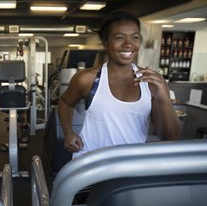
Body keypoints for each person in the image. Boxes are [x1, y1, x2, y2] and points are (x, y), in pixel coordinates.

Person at [58, 11, 181, 158]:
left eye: (135, 37)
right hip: (90, 164)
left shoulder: (151, 82)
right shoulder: (86, 78)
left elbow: (170, 137)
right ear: (105, 42)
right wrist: (68, 132)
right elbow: (65, 102)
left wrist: (164, 96)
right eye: (119, 38)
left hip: (130, 166)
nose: (128, 44)